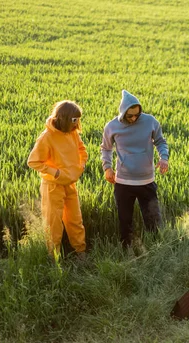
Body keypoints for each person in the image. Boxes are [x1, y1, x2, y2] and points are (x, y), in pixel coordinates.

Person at [101, 90, 169, 248]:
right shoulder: (112, 126)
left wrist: (163, 158)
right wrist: (107, 168)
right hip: (123, 182)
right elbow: (106, 148)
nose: (133, 118)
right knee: (125, 222)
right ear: (123, 112)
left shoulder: (150, 121)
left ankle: (157, 249)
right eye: (129, 116)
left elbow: (160, 141)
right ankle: (127, 251)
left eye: (136, 115)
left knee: (153, 220)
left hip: (146, 181)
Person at [27, 100, 87, 257]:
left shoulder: (73, 133)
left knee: (75, 220)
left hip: (71, 184)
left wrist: (82, 165)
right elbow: (33, 161)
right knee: (53, 224)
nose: (77, 123)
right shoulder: (47, 137)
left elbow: (82, 150)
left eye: (78, 120)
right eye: (75, 120)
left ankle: (81, 253)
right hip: (53, 186)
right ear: (64, 118)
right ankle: (54, 258)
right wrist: (55, 173)